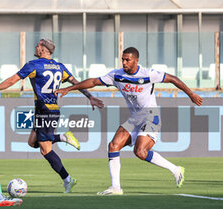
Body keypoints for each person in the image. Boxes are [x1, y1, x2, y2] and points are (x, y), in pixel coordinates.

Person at [55, 47, 203, 195]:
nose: (124, 62)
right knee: (113, 146)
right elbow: (94, 81)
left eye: (127, 60)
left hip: (150, 116)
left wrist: (191, 94)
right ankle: (116, 188)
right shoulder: (117, 75)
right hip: (134, 118)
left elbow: (172, 79)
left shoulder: (148, 74)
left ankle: (176, 169)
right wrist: (69, 89)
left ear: (136, 60)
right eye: (123, 59)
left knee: (140, 151)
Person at [0, 39, 104, 193]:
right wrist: (89, 97)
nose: (35, 47)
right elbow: (75, 82)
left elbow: (13, 80)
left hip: (44, 110)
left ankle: (67, 179)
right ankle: (61, 138)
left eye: (38, 45)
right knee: (32, 142)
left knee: (45, 150)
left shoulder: (34, 65)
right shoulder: (59, 67)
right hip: (50, 110)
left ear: (43, 49)